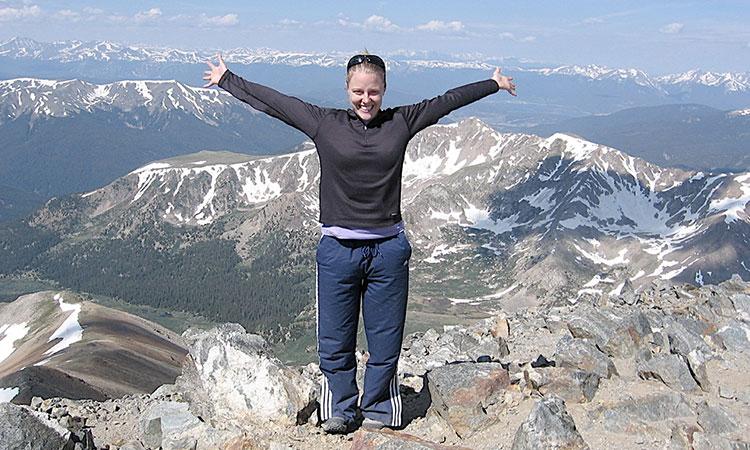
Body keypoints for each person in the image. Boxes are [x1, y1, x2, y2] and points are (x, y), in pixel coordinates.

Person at [203, 52, 516, 433]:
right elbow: (276, 103)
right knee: (334, 340)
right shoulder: (324, 124)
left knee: (385, 340)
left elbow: (446, 101)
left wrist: (492, 84)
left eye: (373, 91)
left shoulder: (401, 122)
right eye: (358, 91)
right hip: (337, 251)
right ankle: (342, 410)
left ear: (383, 90)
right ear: (347, 89)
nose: (365, 99)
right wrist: (227, 79)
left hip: (389, 251)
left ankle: (380, 411)